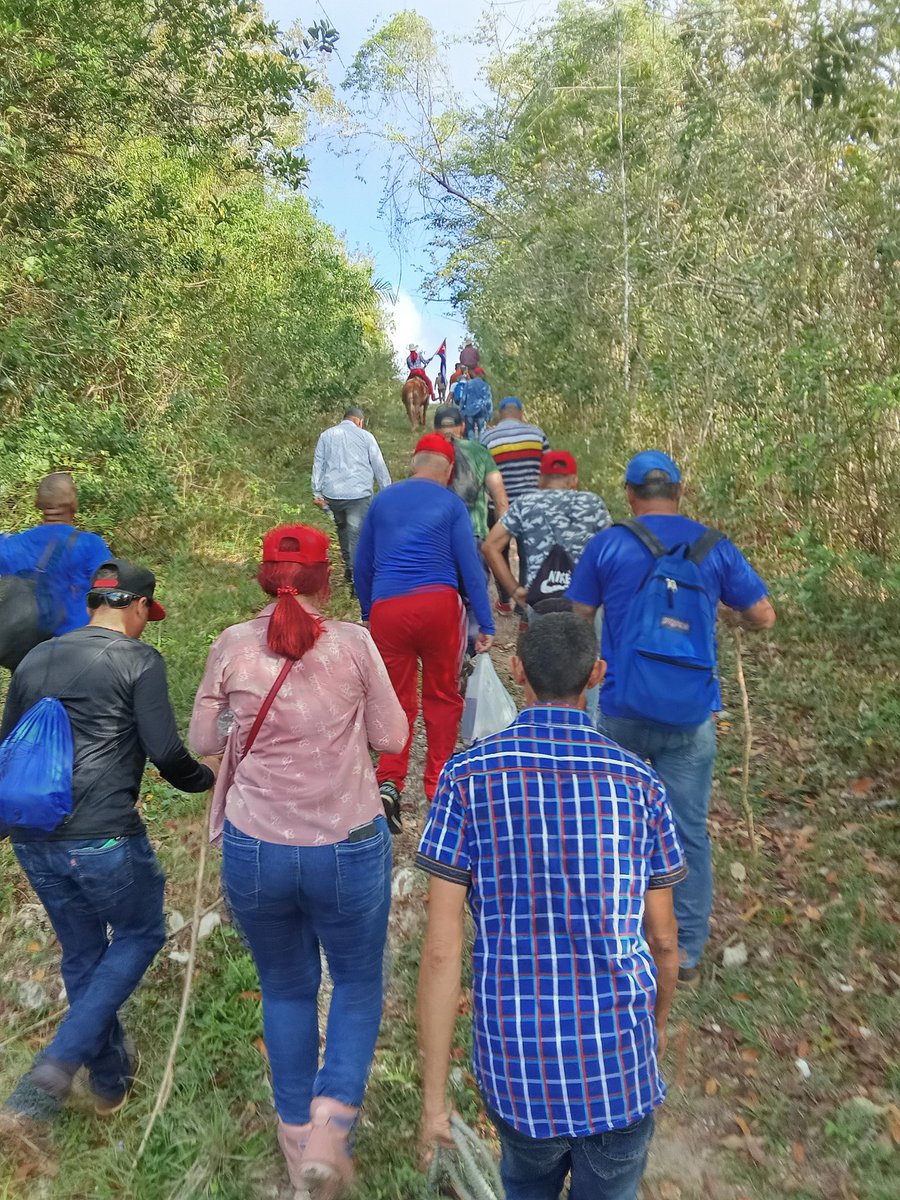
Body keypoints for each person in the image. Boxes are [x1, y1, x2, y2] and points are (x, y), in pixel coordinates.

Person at [416, 613, 685, 1200]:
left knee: (525, 1182)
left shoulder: (466, 777)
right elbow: (664, 940)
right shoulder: (639, 783)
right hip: (618, 1069)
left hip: (517, 1072)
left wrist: (435, 1104)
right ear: (596, 675)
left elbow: (441, 951)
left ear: (517, 672)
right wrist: (657, 1026)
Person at [190, 524, 407, 1200]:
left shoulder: (231, 646)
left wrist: (235, 720)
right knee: (356, 984)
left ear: (262, 579)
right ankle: (329, 1124)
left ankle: (293, 1147)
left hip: (257, 851)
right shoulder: (353, 645)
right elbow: (393, 735)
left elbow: (203, 739)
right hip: (345, 845)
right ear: (327, 580)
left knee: (285, 988)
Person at [0, 558, 215, 1133]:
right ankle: (52, 1071)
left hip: (34, 838)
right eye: (150, 613)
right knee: (142, 931)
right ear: (139, 606)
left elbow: (9, 748)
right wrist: (207, 781)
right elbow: (167, 753)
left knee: (83, 952)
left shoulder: (33, 659)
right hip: (104, 838)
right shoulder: (139, 660)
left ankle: (110, 1079)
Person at [568, 451, 776, 984]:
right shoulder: (714, 548)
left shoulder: (609, 543)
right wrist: (725, 613)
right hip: (690, 716)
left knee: (611, 823)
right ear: (680, 492)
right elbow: (764, 615)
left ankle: (611, 932)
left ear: (630, 494)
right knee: (687, 830)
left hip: (618, 708)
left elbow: (578, 621)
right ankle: (683, 949)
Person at [354, 434, 495, 828]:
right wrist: (484, 622)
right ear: (449, 470)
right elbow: (470, 568)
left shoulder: (382, 501)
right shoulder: (451, 503)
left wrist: (369, 610)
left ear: (414, 463)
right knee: (442, 697)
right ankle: (439, 787)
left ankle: (389, 783)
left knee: (394, 698)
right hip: (438, 608)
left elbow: (361, 565)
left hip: (388, 609)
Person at [482, 449, 610, 619]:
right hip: (585, 603)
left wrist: (514, 590)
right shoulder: (592, 503)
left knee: (543, 645)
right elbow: (611, 551)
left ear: (540, 480)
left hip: (541, 603)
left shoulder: (525, 504)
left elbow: (490, 546)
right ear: (574, 480)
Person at [0, 473, 112, 656]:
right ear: (73, 503)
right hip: (77, 651)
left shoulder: (12, 545)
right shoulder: (90, 546)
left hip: (26, 656)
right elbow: (110, 592)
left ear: (39, 503)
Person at [434, 405, 508, 654]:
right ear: (463, 426)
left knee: (443, 601)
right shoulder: (479, 452)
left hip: (438, 541)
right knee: (474, 600)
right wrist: (499, 541)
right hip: (474, 536)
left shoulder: (429, 454)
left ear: (435, 429)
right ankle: (470, 655)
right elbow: (500, 501)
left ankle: (448, 658)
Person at [480, 398, 550, 616]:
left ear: (500, 415)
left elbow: (483, 473)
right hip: (532, 505)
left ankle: (504, 598)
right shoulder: (537, 434)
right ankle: (524, 602)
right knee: (528, 553)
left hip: (500, 505)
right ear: (520, 413)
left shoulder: (487, 437)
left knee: (498, 551)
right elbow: (548, 470)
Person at [311, 407, 392, 593]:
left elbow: (319, 463)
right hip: (358, 494)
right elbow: (379, 465)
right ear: (359, 421)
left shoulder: (326, 435)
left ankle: (349, 567)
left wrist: (317, 492)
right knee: (357, 535)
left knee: (342, 529)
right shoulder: (366, 437)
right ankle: (357, 580)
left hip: (333, 494)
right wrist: (387, 490)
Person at [460, 367, 492, 441]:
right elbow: (488, 401)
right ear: (481, 374)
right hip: (481, 410)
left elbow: (463, 398)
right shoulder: (485, 386)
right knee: (482, 431)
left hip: (469, 410)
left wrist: (461, 409)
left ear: (475, 374)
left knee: (470, 430)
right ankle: (481, 447)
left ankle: (472, 447)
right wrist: (489, 414)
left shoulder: (468, 384)